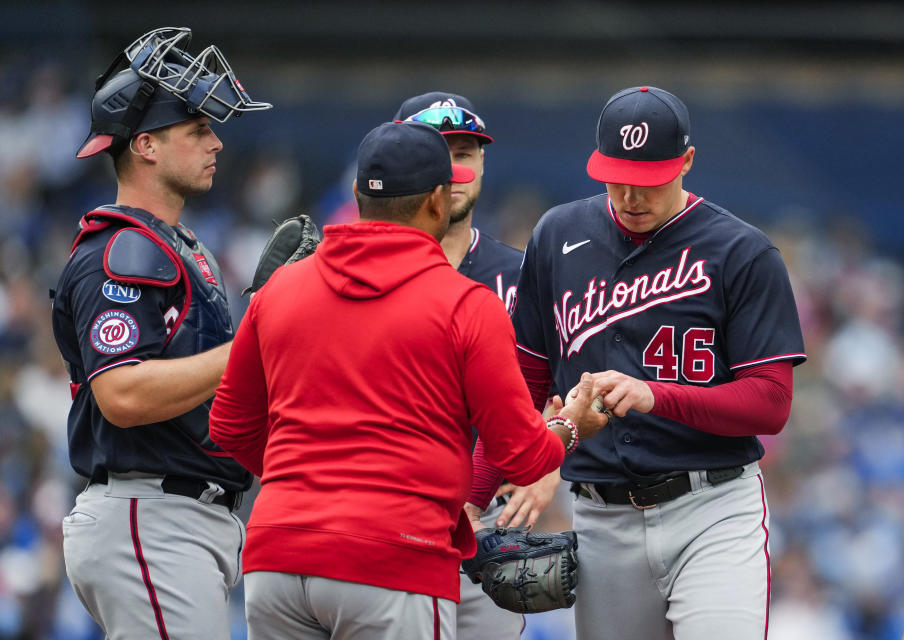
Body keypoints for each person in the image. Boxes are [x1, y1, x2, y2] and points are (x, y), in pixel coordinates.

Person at [208, 121, 608, 640]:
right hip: (393, 556)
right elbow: (521, 455)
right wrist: (569, 427)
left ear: (356, 195)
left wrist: (316, 480)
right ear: (439, 201)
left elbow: (230, 426)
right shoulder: (466, 303)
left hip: (277, 558)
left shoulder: (280, 288)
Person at [506, 86, 807, 640]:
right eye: (617, 177)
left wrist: (656, 395)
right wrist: (516, 473)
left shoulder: (742, 252)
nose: (630, 195)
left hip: (712, 507)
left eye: (649, 180)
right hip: (601, 515)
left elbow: (771, 402)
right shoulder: (557, 235)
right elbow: (524, 380)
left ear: (687, 162)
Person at [50, 27, 271, 640]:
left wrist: (271, 314)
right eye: (198, 129)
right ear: (145, 144)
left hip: (182, 519)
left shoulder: (176, 247)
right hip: (152, 514)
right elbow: (122, 396)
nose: (217, 142)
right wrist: (255, 339)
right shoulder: (120, 250)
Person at [394, 92, 553, 638]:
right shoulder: (355, 273)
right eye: (437, 152)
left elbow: (558, 392)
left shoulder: (525, 274)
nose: (454, 169)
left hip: (484, 530)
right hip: (388, 521)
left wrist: (550, 465)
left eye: (467, 152)